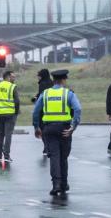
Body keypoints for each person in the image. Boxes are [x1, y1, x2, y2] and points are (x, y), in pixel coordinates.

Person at [32, 69, 81, 197]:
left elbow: (35, 111)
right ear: (64, 80)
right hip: (64, 128)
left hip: (48, 129)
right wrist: (73, 126)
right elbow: (78, 109)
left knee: (54, 156)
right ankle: (64, 183)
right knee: (63, 157)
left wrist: (37, 127)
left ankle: (56, 184)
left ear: (54, 80)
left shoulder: (45, 93)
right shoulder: (68, 94)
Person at [0, 70, 19, 163]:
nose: (14, 78)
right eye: (13, 77)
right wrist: (16, 112)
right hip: (10, 114)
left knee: (0, 134)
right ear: (8, 77)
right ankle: (6, 156)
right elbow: (17, 101)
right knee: (8, 135)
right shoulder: (12, 87)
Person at [34, 68, 55, 158]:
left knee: (42, 128)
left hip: (43, 109)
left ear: (42, 76)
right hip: (52, 108)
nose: (38, 77)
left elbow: (42, 95)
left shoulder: (42, 84)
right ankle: (49, 146)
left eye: (39, 75)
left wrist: (36, 97)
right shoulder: (52, 83)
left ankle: (46, 147)